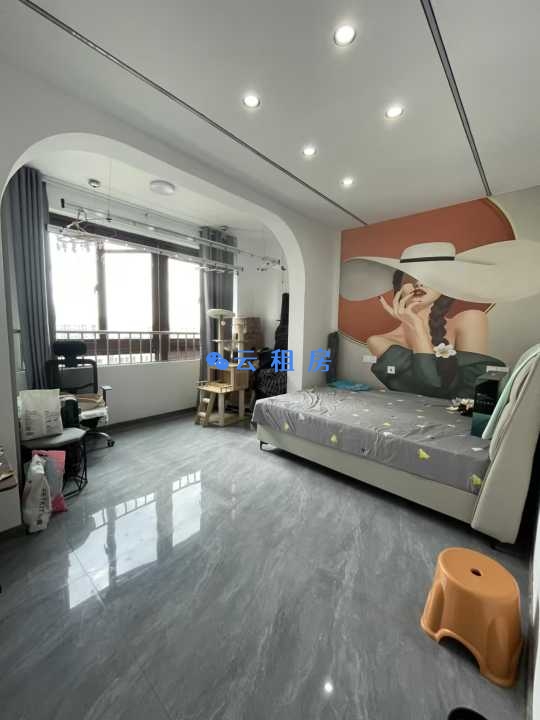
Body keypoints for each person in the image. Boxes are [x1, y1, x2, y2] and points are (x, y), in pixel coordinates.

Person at [366, 270, 505, 398]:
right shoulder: (379, 342)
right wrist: (418, 329)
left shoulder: (470, 319)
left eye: (430, 278)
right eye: (411, 278)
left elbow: (474, 392)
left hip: (466, 414)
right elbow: (431, 388)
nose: (419, 283)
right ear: (399, 289)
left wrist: (419, 329)